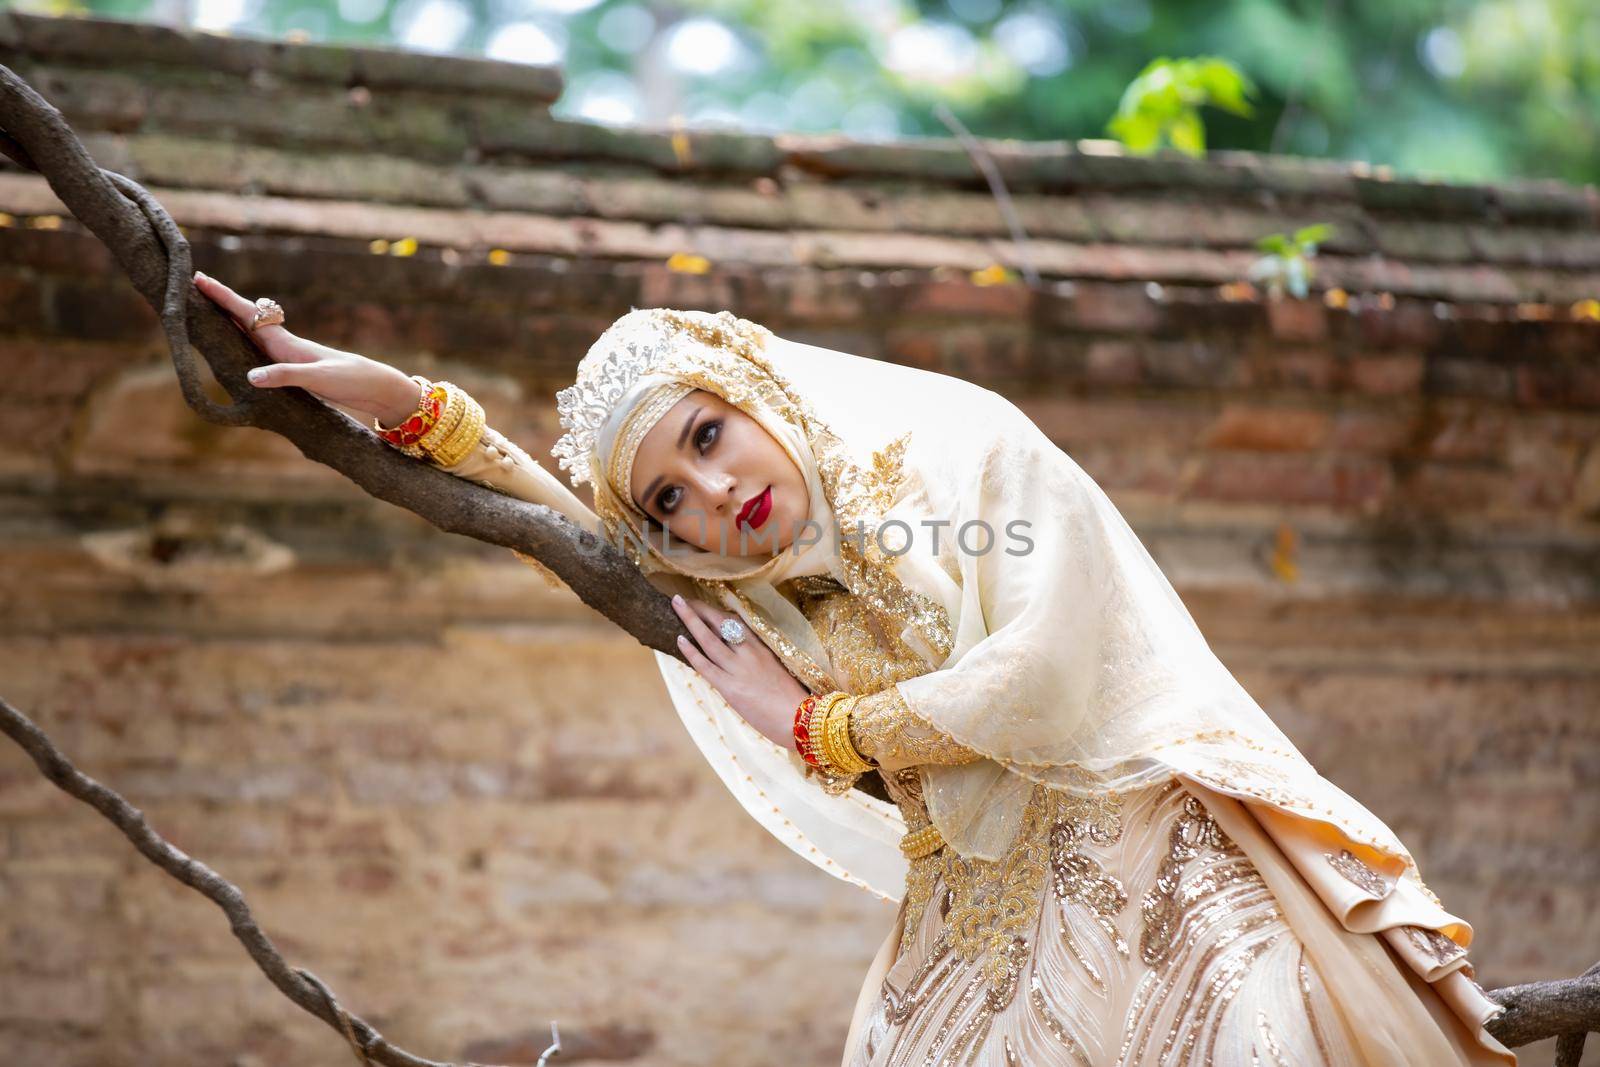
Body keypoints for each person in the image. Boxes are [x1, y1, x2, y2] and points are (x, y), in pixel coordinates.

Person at [195, 270, 1516, 1066]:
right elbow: (562, 529)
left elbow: (1049, 673)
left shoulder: (972, 459)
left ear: (761, 395)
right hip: (971, 920)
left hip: (1154, 855)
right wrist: (401, 402)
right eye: (669, 498)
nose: (713, 492)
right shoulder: (742, 579)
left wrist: (826, 726)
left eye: (714, 435)